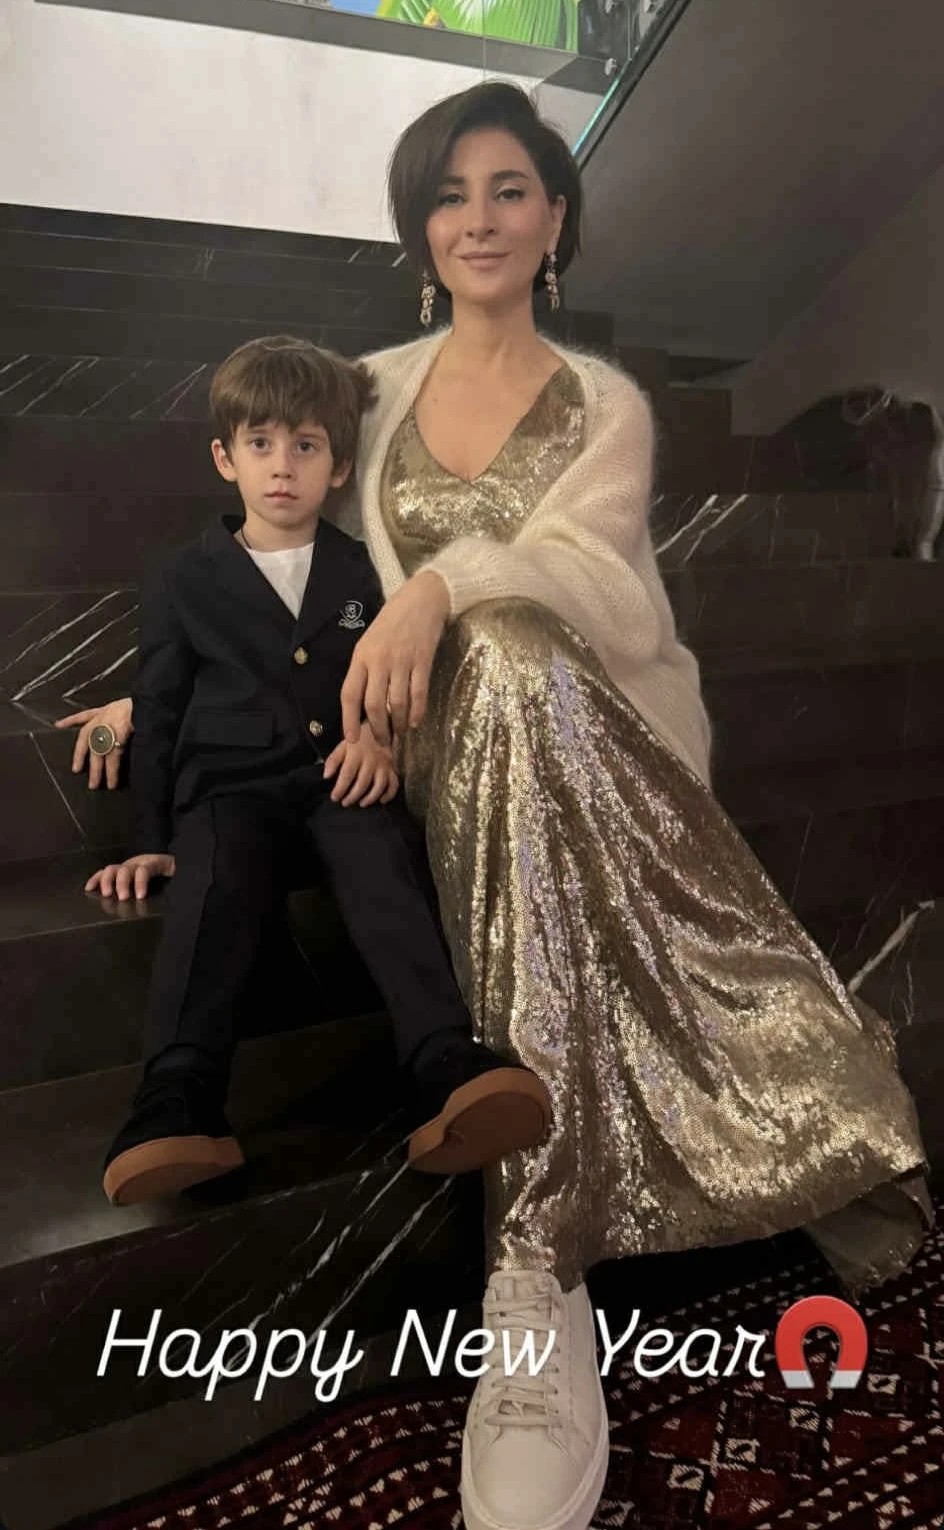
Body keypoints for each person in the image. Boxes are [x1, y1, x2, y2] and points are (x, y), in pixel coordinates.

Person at [61, 84, 931, 1530]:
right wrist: (150, 699)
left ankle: (535, 1255)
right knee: (497, 670)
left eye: (509, 187)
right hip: (401, 732)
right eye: (448, 192)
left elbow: (598, 591)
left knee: (518, 654)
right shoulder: (361, 390)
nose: (479, 217)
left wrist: (442, 592)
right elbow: (271, 558)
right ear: (419, 226)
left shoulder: (606, 404)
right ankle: (538, 1256)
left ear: (555, 216)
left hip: (574, 712)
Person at [81, 334, 551, 1209]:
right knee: (214, 884)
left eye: (305, 446)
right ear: (226, 458)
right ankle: (175, 1098)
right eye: (260, 444)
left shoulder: (366, 569)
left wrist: (379, 742)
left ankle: (444, 1060)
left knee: (381, 862)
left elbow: (395, 673)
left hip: (339, 776)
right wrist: (151, 837)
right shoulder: (183, 578)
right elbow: (161, 708)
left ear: (338, 467)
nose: (282, 466)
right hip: (229, 789)